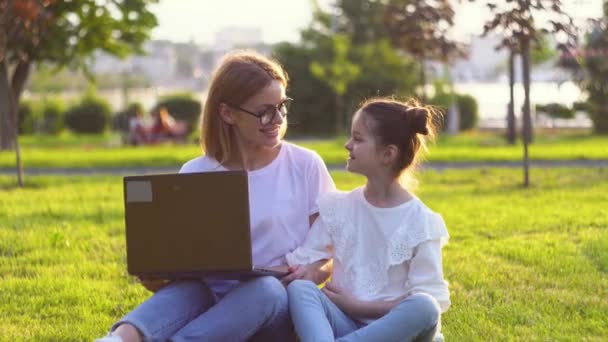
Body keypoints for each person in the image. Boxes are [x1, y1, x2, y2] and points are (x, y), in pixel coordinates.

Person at [97, 51, 335, 342]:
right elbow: (188, 261)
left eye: (282, 106)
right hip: (212, 300)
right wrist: (159, 277)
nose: (277, 119)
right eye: (264, 111)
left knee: (266, 289)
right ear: (227, 113)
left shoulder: (305, 165)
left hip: (278, 308)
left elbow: (328, 254)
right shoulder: (197, 172)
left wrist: (310, 273)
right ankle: (120, 339)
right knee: (188, 291)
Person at [286, 98, 450, 342]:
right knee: (300, 289)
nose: (348, 145)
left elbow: (430, 301)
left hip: (399, 334)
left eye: (358, 139)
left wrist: (357, 306)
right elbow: (305, 265)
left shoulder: (422, 222)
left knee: (425, 306)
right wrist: (295, 272)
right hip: (344, 325)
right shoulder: (337, 207)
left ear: (388, 154)